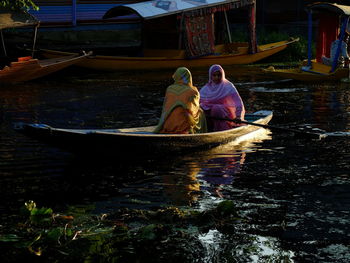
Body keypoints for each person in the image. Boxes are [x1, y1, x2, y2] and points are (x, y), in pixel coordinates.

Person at [154, 67, 207, 134]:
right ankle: (198, 133)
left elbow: (165, 108)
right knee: (200, 112)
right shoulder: (193, 91)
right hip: (184, 127)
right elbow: (194, 110)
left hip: (168, 126)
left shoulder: (169, 89)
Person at [200, 64, 245, 131]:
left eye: (219, 75)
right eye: (214, 75)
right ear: (210, 76)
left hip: (225, 116)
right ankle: (206, 129)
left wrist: (238, 116)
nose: (217, 77)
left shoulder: (228, 86)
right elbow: (198, 101)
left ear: (222, 75)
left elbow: (238, 102)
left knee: (217, 108)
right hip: (210, 118)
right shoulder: (206, 88)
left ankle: (221, 129)